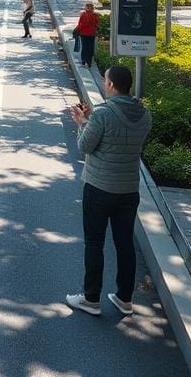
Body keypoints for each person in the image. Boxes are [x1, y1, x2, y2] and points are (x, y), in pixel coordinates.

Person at [67, 65, 152, 316]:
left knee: (95, 241)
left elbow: (85, 146)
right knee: (124, 242)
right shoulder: (144, 115)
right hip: (128, 190)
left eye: (105, 80)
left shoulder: (103, 114)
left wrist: (83, 122)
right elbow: (121, 138)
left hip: (99, 188)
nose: (104, 83)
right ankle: (125, 298)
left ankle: (91, 299)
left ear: (112, 85)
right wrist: (92, 120)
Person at [75, 1, 100, 68]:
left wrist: (77, 30)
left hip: (84, 34)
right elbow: (97, 24)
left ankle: (83, 61)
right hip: (92, 34)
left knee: (84, 47)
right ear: (93, 8)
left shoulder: (83, 15)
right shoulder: (95, 15)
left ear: (86, 8)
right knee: (90, 48)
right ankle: (89, 62)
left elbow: (81, 25)